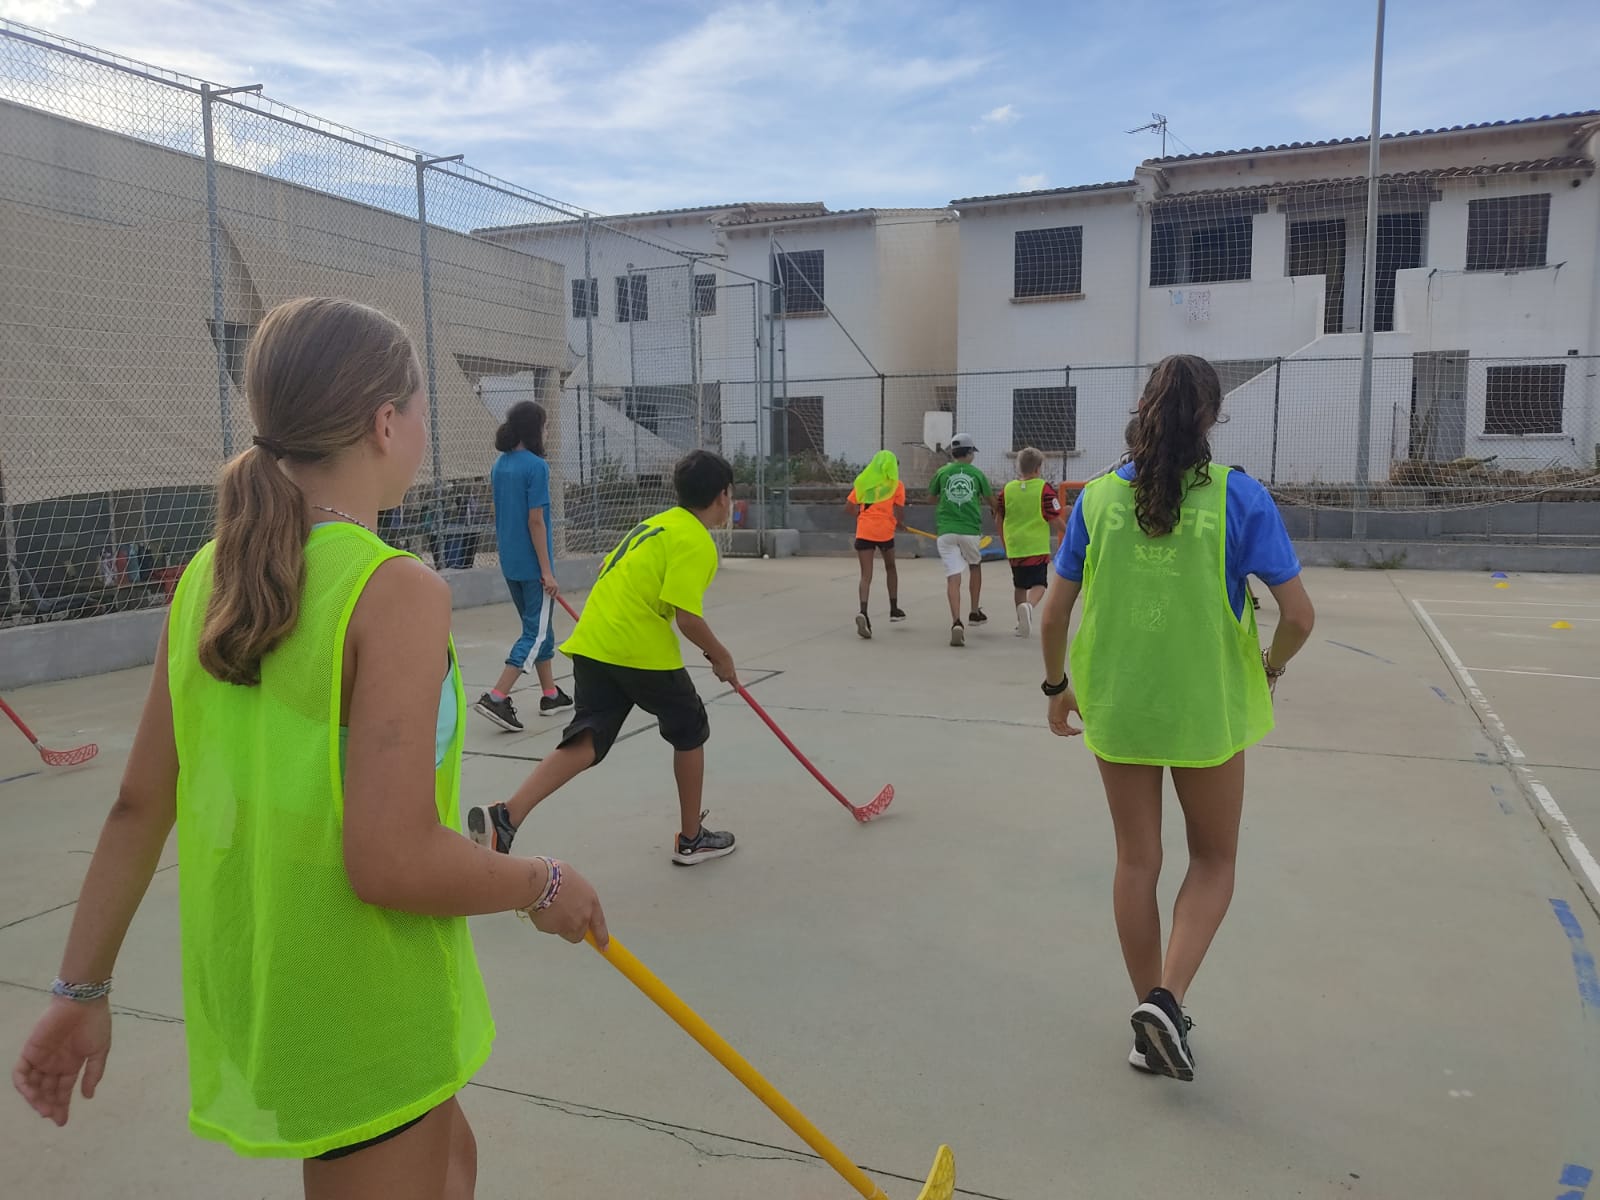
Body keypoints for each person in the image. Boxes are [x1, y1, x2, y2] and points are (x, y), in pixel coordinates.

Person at [10, 298, 608, 1199]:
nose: (420, 429)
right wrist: (545, 885)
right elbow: (390, 859)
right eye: (417, 409)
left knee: (454, 1163)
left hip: (286, 983)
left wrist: (80, 989)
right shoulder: (394, 590)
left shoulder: (210, 574)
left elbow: (142, 803)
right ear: (383, 423)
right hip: (361, 996)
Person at [1038, 353, 1314, 1082]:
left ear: (1144, 407)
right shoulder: (1240, 498)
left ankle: (1147, 1022)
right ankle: (1169, 999)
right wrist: (1270, 667)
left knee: (1137, 860)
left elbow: (1053, 612)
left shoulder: (1096, 498)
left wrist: (1056, 685)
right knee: (1215, 860)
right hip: (1206, 710)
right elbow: (1300, 617)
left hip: (1118, 703)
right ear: (1212, 415)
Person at [468, 450, 739, 866]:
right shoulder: (696, 540)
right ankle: (691, 838)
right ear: (723, 496)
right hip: (638, 649)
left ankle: (507, 816)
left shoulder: (655, 524)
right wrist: (721, 657)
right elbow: (687, 617)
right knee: (690, 729)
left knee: (587, 740)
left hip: (593, 644)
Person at [474, 401, 573, 732]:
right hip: (533, 565)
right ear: (534, 429)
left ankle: (550, 694)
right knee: (535, 632)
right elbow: (536, 521)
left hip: (511, 563)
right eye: (545, 426)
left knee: (540, 628)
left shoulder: (500, 465)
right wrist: (547, 570)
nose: (547, 432)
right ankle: (497, 696)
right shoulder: (537, 467)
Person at [929, 432, 996, 647]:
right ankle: (974, 611)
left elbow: (930, 498)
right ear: (968, 453)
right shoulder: (977, 474)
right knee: (975, 566)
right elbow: (991, 500)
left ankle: (956, 621)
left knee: (953, 576)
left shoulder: (941, 472)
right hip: (969, 531)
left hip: (946, 532)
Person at [996, 446, 1065, 638]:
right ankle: (1029, 606)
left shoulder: (1007, 490)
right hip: (1036, 546)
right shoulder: (1044, 489)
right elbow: (1054, 518)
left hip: (1015, 546)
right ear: (1038, 468)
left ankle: (1021, 623)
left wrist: (1004, 542)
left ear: (1019, 467)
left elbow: (998, 518)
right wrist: (1069, 532)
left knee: (1019, 585)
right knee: (1039, 584)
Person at [845, 450, 907, 639]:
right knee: (891, 567)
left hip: (865, 530)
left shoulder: (864, 482)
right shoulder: (896, 486)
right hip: (885, 532)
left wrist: (863, 517)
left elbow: (848, 507)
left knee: (866, 575)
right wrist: (900, 524)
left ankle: (863, 611)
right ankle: (894, 608)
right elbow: (899, 512)